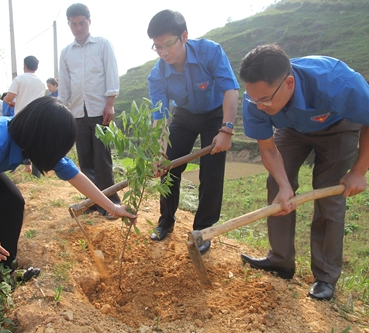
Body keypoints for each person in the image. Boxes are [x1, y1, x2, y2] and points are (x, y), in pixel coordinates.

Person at [0, 96, 136, 317]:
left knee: (13, 203)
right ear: (43, 139)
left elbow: (76, 176)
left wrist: (113, 207)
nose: (56, 156)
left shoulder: (32, 140)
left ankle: (3, 274)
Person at [238, 44, 369, 301]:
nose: (258, 105)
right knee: (277, 188)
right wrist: (285, 185)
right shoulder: (255, 100)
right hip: (291, 130)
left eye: (264, 99)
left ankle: (325, 276)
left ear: (288, 83)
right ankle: (281, 261)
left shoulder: (337, 83)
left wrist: (359, 170)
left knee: (329, 196)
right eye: (254, 99)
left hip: (338, 126)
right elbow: (268, 149)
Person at [146, 10, 239, 254]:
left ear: (184, 36)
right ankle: (165, 221)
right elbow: (160, 117)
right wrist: (159, 152)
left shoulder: (210, 52)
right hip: (184, 116)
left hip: (214, 115)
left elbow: (230, 90)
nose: (164, 52)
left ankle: (203, 230)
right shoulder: (157, 75)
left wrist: (226, 130)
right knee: (168, 168)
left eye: (168, 45)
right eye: (157, 47)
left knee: (211, 172)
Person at [58, 3, 121, 218]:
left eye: (82, 23)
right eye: (73, 24)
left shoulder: (102, 45)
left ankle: (111, 201)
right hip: (77, 112)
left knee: (102, 158)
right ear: (69, 25)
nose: (78, 28)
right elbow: (64, 85)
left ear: (89, 22)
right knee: (85, 159)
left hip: (100, 109)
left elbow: (111, 74)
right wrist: (62, 109)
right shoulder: (66, 52)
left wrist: (110, 103)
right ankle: (94, 201)